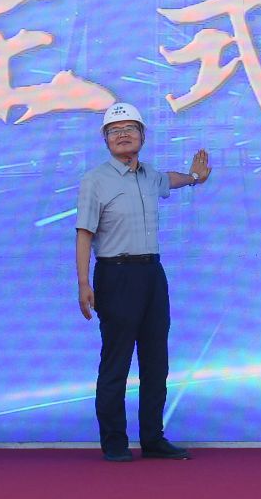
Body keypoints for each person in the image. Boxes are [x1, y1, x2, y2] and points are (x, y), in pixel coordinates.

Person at [75, 102, 210, 462]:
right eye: (115, 131)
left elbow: (169, 180)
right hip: (115, 274)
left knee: (156, 361)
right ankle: (114, 442)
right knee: (116, 361)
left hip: (152, 274)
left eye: (130, 129)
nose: (123, 135)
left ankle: (153, 438)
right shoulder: (95, 180)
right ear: (105, 139)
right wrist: (83, 283)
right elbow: (84, 233)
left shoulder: (149, 175)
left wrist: (194, 177)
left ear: (143, 136)